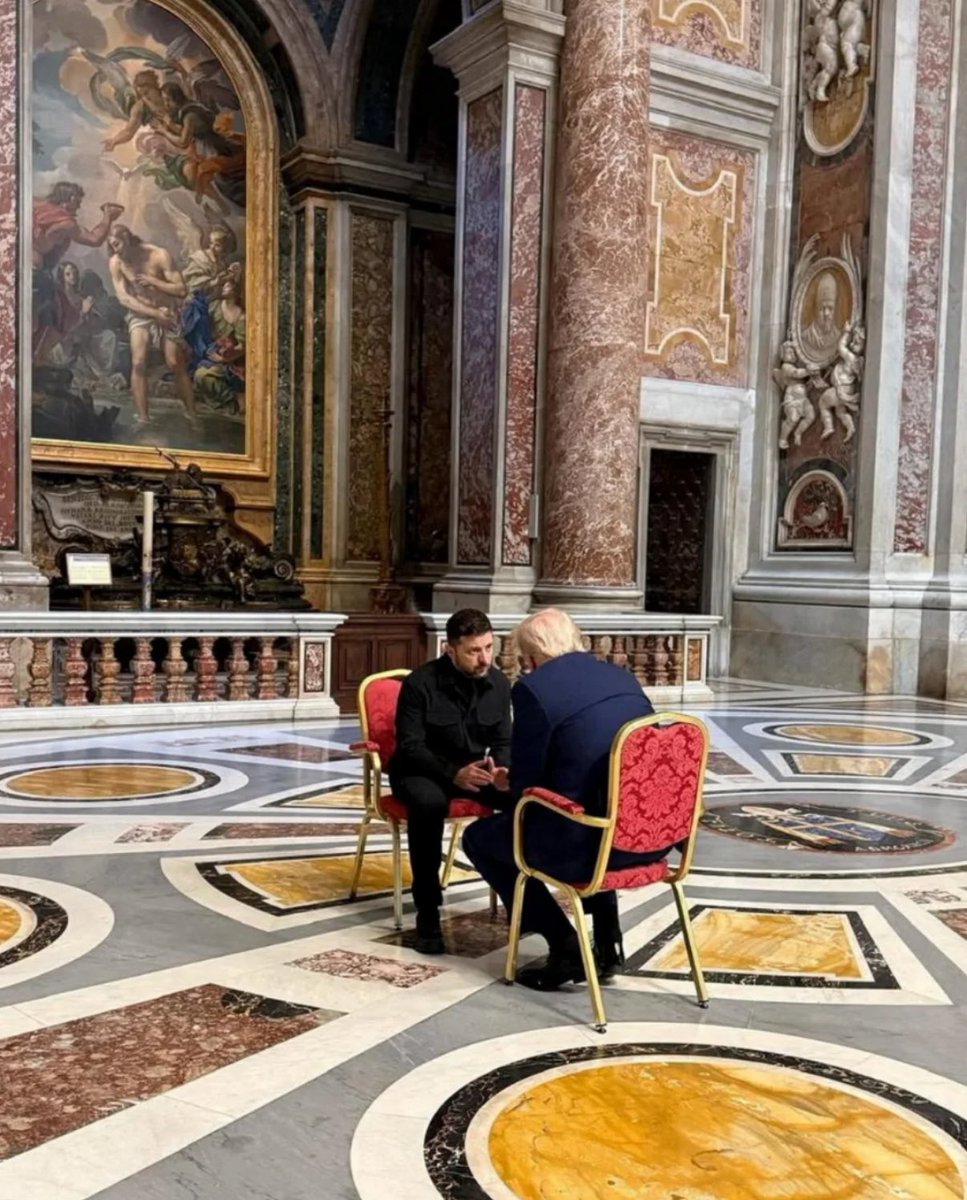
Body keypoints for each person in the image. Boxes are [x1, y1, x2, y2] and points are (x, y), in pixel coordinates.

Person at [463, 608, 678, 991]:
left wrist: (506, 781)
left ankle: (564, 946)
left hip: (585, 852)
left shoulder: (534, 689)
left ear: (531, 658)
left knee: (481, 838)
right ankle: (609, 944)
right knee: (601, 802)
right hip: (648, 839)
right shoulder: (622, 677)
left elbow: (526, 785)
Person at [388, 609, 512, 955]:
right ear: (450, 649)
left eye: (488, 647)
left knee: (523, 798)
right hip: (420, 771)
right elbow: (411, 746)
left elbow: (503, 740)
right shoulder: (420, 683)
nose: (484, 658)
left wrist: (501, 770)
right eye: (474, 651)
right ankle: (427, 910)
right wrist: (452, 773)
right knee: (429, 804)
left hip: (473, 771)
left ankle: (521, 898)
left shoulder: (499, 683)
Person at [107, 224, 198, 426]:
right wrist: (154, 313)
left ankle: (192, 413)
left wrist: (154, 281)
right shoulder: (116, 262)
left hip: (167, 311)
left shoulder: (158, 255)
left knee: (174, 362)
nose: (115, 250)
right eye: (112, 246)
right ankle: (143, 418)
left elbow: (181, 290)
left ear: (127, 239)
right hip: (141, 314)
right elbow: (124, 298)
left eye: (118, 244)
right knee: (138, 362)